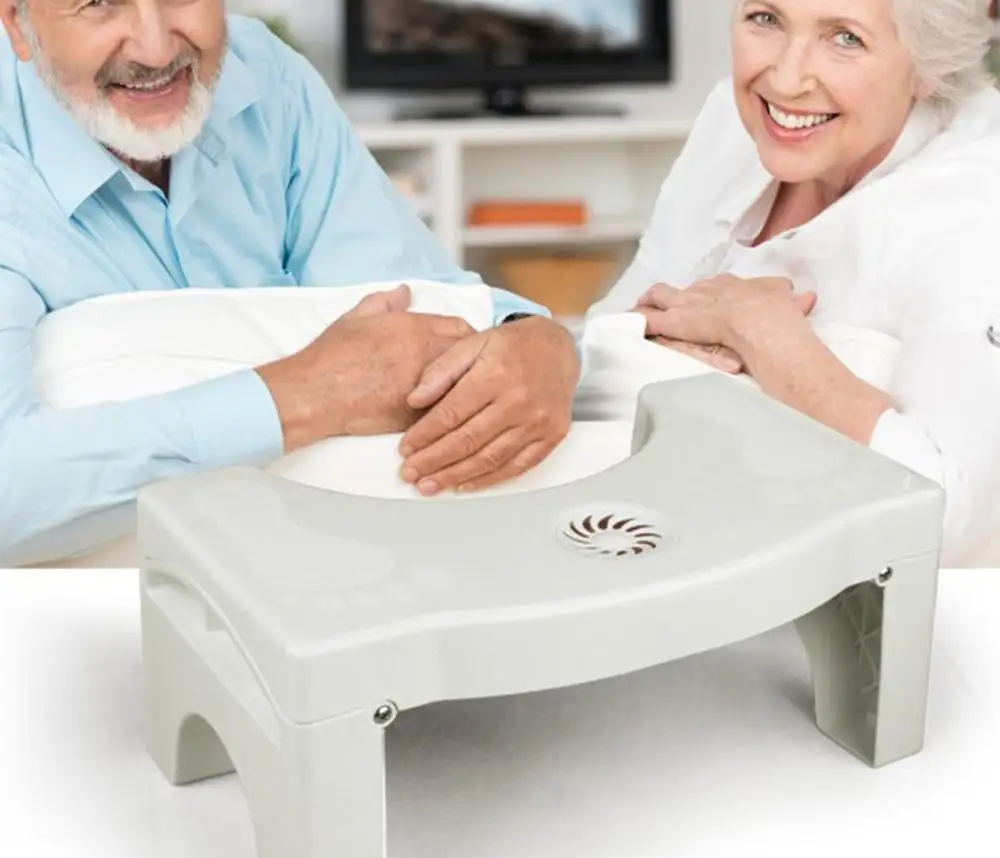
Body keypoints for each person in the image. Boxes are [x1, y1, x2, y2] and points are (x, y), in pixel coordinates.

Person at [0, 1, 580, 566]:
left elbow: (414, 297)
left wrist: (534, 338)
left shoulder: (263, 72)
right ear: (17, 24)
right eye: (99, 4)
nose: (155, 50)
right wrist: (306, 396)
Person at [588, 0, 1000, 567]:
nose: (784, 80)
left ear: (931, 64)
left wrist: (764, 335)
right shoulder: (737, 120)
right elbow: (616, 318)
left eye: (846, 38)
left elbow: (945, 516)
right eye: (766, 18)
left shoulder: (977, 211)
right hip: (653, 520)